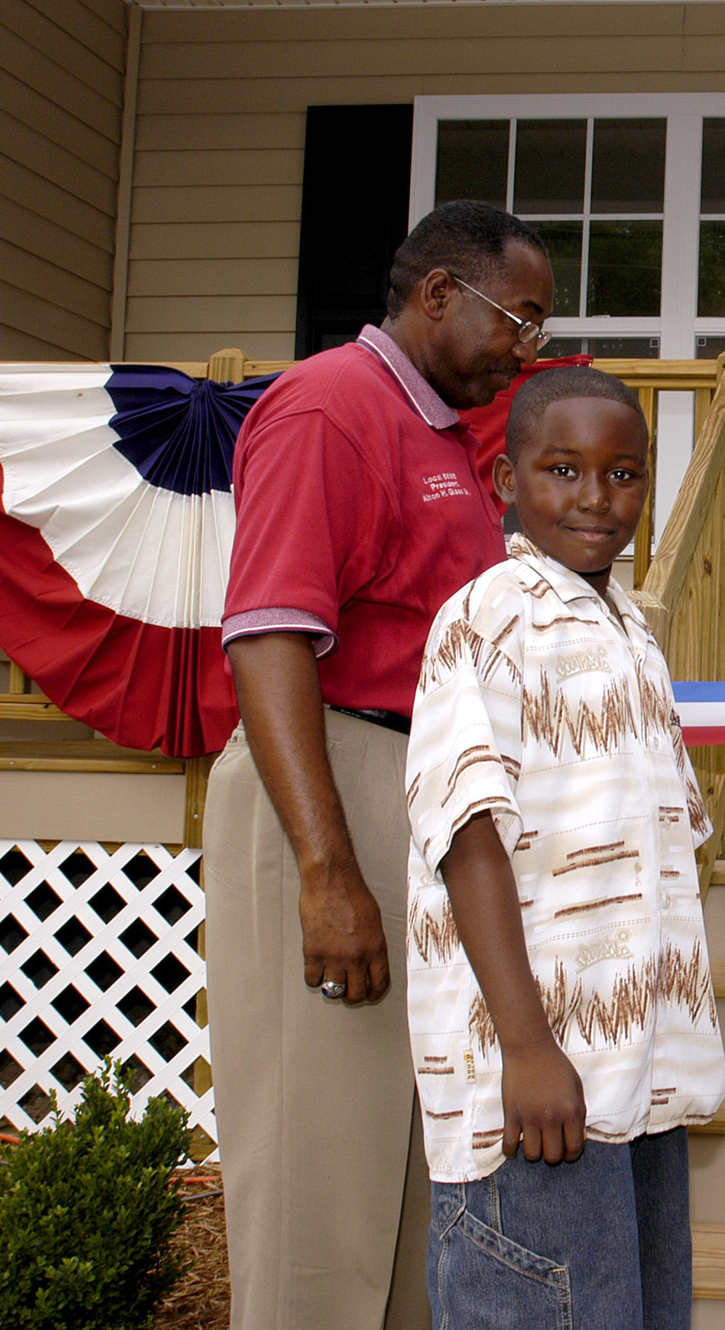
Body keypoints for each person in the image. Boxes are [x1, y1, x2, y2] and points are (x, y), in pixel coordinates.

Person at [205, 200, 553, 1329]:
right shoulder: (329, 408)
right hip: (335, 782)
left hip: (423, 793)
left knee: (407, 1160)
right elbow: (268, 636)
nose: (526, 349)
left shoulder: (443, 434)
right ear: (439, 294)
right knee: (322, 1167)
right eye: (520, 318)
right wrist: (325, 871)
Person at [404, 365, 725, 1329]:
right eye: (563, 470)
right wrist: (528, 1046)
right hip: (537, 1086)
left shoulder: (632, 631)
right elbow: (467, 834)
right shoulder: (487, 618)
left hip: (637, 1084)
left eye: (623, 474)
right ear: (507, 481)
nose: (596, 497)